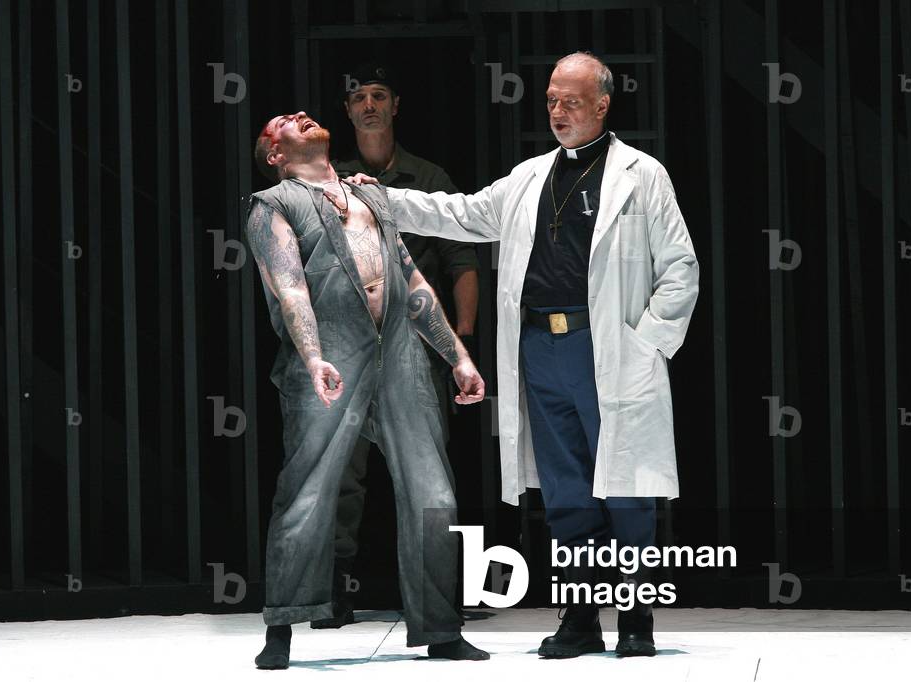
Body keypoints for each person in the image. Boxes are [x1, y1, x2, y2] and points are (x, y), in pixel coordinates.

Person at [349, 51, 699, 658]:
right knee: (566, 490)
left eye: (571, 101)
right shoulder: (530, 176)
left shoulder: (642, 175)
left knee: (627, 487)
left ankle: (636, 618)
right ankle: (580, 619)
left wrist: (646, 344)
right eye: (552, 101)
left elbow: (680, 268)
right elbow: (460, 213)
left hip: (608, 345)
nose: (559, 112)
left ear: (602, 104)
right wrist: (385, 201)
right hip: (540, 346)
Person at [245, 111, 490, 669]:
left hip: (400, 354)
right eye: (285, 122)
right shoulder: (273, 204)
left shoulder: (373, 196)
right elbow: (289, 288)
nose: (301, 117)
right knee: (308, 489)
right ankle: (282, 627)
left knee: (435, 494)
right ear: (274, 154)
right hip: (332, 351)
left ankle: (441, 628)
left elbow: (411, 277)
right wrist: (312, 357)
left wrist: (458, 356)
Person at [309, 63, 480, 629]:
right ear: (347, 110)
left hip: (415, 344)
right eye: (358, 97)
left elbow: (461, 261)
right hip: (351, 346)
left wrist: (461, 344)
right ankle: (333, 589)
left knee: (429, 475)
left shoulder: (428, 176)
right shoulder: (332, 181)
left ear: (396, 104)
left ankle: (439, 596)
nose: (369, 105)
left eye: (378, 95)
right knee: (341, 473)